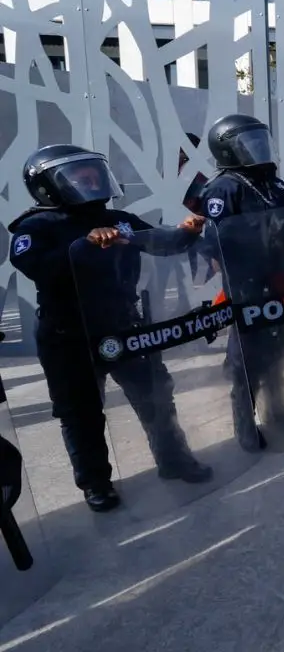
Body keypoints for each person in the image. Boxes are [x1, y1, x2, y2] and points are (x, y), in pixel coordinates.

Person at [8, 144, 212, 512]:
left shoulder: (119, 218)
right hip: (68, 336)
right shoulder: (35, 227)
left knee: (155, 397)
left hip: (124, 326)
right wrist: (83, 245)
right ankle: (95, 483)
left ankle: (175, 460)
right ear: (46, 186)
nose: (90, 180)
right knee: (80, 412)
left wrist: (186, 231)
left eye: (92, 173)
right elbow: (37, 266)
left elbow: (161, 244)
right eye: (78, 176)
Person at [198, 113, 284, 451]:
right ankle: (244, 426)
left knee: (277, 350)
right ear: (228, 151)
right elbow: (216, 241)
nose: (258, 149)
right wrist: (260, 239)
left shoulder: (273, 183)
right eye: (249, 144)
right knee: (246, 362)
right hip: (247, 288)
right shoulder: (222, 189)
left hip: (280, 280)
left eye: (260, 141)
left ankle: (278, 409)